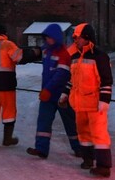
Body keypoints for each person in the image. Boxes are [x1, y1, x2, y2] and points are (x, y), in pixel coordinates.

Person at [60, 23, 114, 177]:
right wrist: (65, 94)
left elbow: (106, 80)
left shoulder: (100, 56)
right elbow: (72, 80)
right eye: (74, 38)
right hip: (79, 104)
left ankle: (104, 166)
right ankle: (88, 160)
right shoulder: (75, 57)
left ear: (87, 38)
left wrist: (104, 100)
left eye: (78, 38)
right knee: (83, 133)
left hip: (95, 104)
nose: (75, 40)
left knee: (99, 134)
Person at [26, 23, 81, 159]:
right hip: (47, 94)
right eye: (46, 38)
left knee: (70, 123)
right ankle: (41, 149)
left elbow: (61, 75)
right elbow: (40, 50)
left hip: (61, 94)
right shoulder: (46, 51)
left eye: (49, 38)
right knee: (43, 121)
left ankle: (79, 149)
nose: (47, 40)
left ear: (56, 38)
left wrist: (48, 89)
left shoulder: (64, 54)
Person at [0, 25, 37, 150]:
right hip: (5, 83)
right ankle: (7, 139)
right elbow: (20, 57)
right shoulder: (7, 44)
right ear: (4, 33)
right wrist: (34, 53)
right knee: (9, 110)